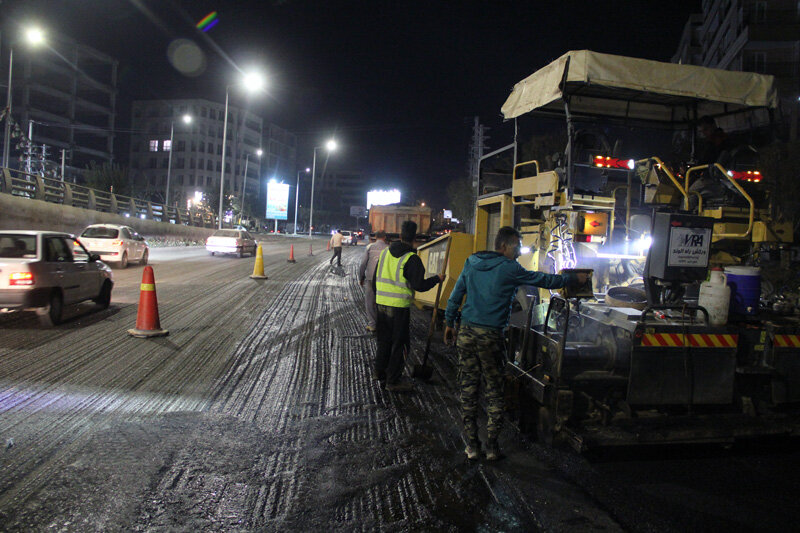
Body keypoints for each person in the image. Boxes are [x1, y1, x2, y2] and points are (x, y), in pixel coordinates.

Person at [444, 226, 586, 461]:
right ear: (504, 246)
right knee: (494, 391)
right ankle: (491, 447)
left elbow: (457, 293)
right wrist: (570, 278)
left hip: (467, 333)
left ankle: (471, 446)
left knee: (468, 390)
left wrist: (450, 322)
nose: (519, 252)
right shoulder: (510, 268)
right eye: (517, 247)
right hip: (491, 336)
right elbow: (543, 279)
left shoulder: (471, 262)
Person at [374, 220, 442, 392]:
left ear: (400, 234)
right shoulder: (411, 258)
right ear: (415, 238)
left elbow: (376, 277)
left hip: (381, 304)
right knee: (400, 344)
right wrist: (437, 279)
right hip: (398, 308)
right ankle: (393, 380)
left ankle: (380, 372)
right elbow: (419, 285)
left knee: (384, 341)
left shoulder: (385, 253)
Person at [688, 115, 736, 207]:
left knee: (689, 193)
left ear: (713, 126)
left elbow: (706, 159)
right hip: (722, 178)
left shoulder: (715, 140)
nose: (704, 133)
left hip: (712, 177)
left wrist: (693, 170)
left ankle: (684, 214)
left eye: (706, 130)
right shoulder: (724, 139)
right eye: (702, 131)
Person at [358, 230, 389, 332]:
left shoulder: (369, 247)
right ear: (384, 237)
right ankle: (383, 325)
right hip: (384, 280)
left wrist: (361, 277)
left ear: (375, 237)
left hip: (371, 279)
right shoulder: (389, 249)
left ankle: (372, 325)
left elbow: (363, 264)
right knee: (382, 303)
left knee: (369, 302)